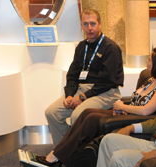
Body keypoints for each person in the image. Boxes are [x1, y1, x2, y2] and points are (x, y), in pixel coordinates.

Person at [36, 47, 156, 167]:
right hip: (125, 113)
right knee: (87, 112)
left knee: (91, 118)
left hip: (133, 119)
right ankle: (59, 153)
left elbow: (146, 111)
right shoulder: (150, 80)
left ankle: (56, 156)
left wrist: (123, 106)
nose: (146, 61)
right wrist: (123, 107)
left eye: (149, 59)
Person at [45, 9, 124, 146]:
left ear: (100, 24)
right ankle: (63, 153)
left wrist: (82, 97)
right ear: (81, 26)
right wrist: (69, 95)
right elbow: (72, 75)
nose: (89, 28)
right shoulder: (81, 47)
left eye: (93, 24)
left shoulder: (111, 47)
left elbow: (107, 81)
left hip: (105, 93)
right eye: (85, 24)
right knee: (51, 112)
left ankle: (73, 155)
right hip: (81, 91)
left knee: (77, 115)